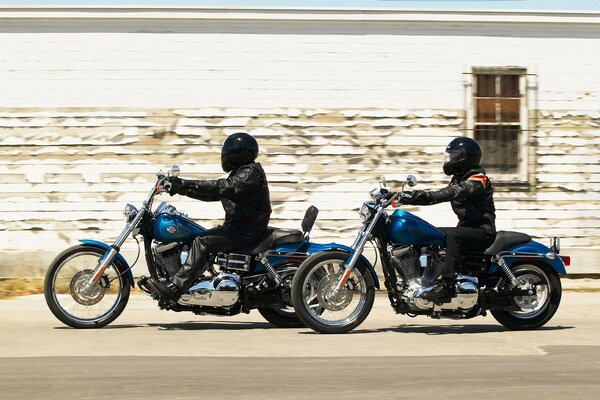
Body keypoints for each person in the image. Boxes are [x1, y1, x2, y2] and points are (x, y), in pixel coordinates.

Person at [146, 132, 271, 303]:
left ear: (239, 153)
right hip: (240, 227)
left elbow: (221, 187)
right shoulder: (241, 173)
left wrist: (182, 183)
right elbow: (211, 194)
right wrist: (180, 188)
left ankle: (175, 288)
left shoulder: (250, 172)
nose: (225, 155)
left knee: (202, 241)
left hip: (246, 229)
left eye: (228, 151)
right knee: (198, 237)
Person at [403, 136, 496, 303]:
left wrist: (427, 196)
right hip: (465, 229)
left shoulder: (478, 179)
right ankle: (423, 280)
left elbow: (453, 193)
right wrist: (404, 197)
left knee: (453, 236)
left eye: (454, 156)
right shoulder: (458, 179)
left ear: (464, 158)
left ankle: (447, 286)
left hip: (482, 232)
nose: (450, 159)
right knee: (428, 234)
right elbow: (438, 195)